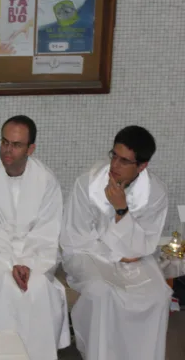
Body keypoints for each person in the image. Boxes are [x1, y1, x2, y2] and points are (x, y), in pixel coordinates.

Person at [60, 125, 171, 360]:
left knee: (158, 294)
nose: (114, 166)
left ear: (142, 166)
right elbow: (74, 237)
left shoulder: (155, 193)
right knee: (101, 292)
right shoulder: (87, 185)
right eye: (114, 156)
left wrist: (122, 210)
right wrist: (116, 254)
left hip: (136, 257)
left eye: (124, 161)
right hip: (89, 254)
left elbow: (145, 245)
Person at [0, 116, 70, 360]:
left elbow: (47, 232)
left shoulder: (47, 181)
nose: (7, 150)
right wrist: (9, 265)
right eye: (4, 142)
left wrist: (29, 265)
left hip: (36, 261)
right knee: (6, 286)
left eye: (16, 145)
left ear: (31, 149)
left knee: (36, 287)